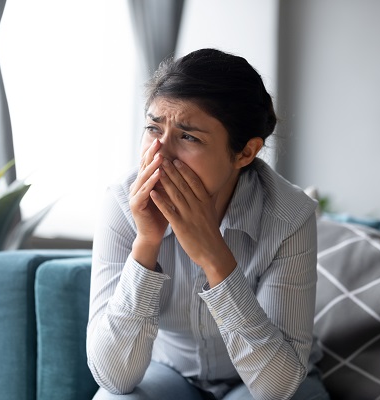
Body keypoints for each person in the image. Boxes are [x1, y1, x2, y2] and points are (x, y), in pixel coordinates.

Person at [86, 48, 330, 400]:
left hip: (264, 379)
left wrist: (215, 258)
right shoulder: (122, 204)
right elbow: (114, 378)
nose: (160, 153)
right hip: (169, 374)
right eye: (153, 128)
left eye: (189, 137)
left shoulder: (290, 216)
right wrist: (147, 242)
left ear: (245, 152)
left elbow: (276, 389)